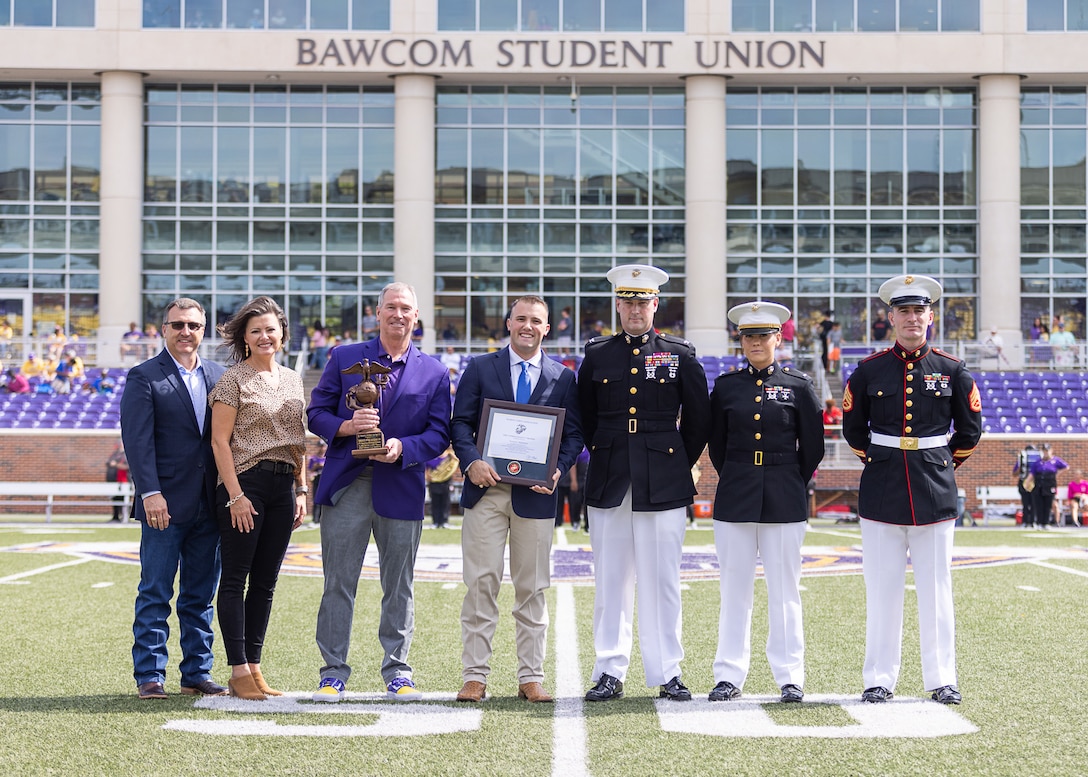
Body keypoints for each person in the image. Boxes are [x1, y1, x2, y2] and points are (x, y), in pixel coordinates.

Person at [842, 274, 982, 706]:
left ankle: (942, 677)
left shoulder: (952, 369)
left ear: (931, 317)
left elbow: (970, 431)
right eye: (903, 311)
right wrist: (883, 460)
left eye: (919, 311)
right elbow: (853, 431)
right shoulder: (867, 371)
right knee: (882, 588)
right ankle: (879, 678)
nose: (912, 318)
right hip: (881, 488)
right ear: (889, 318)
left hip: (934, 488)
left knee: (936, 588)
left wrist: (940, 464)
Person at [307, 281, 451, 703]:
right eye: (391, 307)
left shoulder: (436, 371)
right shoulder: (346, 357)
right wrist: (346, 427)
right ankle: (333, 672)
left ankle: (398, 671)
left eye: (406, 308)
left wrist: (404, 448)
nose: (398, 315)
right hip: (347, 484)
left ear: (416, 316)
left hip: (401, 484)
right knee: (338, 583)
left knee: (400, 585)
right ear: (377, 312)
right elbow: (315, 412)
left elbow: (439, 433)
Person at [578, 264, 711, 703]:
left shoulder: (679, 354)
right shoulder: (597, 355)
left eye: (643, 302)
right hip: (611, 476)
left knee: (662, 580)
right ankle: (609, 670)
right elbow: (587, 417)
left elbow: (698, 421)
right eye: (628, 302)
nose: (635, 310)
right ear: (618, 305)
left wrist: (676, 465)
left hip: (664, 480)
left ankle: (667, 670)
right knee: (611, 581)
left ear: (656, 305)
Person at [450, 295, 583, 704]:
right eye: (521, 318)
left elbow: (574, 434)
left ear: (547, 329)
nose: (528, 326)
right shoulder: (480, 367)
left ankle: (531, 677)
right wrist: (471, 460)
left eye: (536, 321)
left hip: (537, 496)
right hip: (486, 491)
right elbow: (460, 423)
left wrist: (557, 469)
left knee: (532, 588)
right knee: (481, 584)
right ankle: (475, 675)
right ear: (508, 323)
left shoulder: (563, 377)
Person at [707, 301, 824, 704]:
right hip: (735, 494)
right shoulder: (725, 387)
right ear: (740, 341)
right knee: (734, 589)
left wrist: (789, 478)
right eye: (748, 336)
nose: (756, 342)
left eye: (763, 335)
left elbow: (813, 447)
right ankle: (728, 674)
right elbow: (717, 447)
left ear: (778, 338)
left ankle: (790, 677)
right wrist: (740, 474)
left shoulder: (799, 385)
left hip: (784, 495)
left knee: (785, 590)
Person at [120, 298, 228, 700]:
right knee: (155, 590)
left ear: (204, 330)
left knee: (200, 595)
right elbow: (137, 441)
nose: (186, 332)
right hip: (163, 504)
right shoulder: (144, 376)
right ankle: (150, 674)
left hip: (210, 505)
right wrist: (150, 493)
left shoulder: (220, 375)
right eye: (178, 324)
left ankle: (196, 672)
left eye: (194, 326)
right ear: (163, 329)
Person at [208, 296, 308, 701]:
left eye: (271, 329)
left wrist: (302, 490)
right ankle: (237, 670)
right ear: (244, 338)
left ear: (282, 333)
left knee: (265, 583)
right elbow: (219, 441)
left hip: (284, 485)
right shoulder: (233, 379)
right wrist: (235, 496)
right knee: (235, 578)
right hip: (244, 484)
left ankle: (255, 667)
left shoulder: (293, 379)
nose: (264, 336)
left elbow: (298, 441)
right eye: (255, 331)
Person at [1029, 443, 1068, 530]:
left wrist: (1057, 474)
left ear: (1051, 451)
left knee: (1048, 504)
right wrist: (1027, 482)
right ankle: (1039, 522)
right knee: (1039, 504)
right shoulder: (1038, 462)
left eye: (1047, 450)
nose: (1046, 452)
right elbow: (1032, 473)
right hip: (1039, 484)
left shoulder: (1055, 460)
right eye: (1044, 451)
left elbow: (1066, 467)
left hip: (1050, 484)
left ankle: (1046, 522)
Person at [556, 447, 589, 530]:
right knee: (576, 501)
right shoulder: (579, 447)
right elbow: (574, 464)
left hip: (587, 476)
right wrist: (574, 480)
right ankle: (575, 521)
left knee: (587, 503)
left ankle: (587, 524)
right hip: (579, 478)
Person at [426, 446, 457, 529]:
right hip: (434, 483)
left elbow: (452, 470)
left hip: (446, 484)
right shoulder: (433, 458)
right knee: (435, 503)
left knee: (445, 503)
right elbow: (427, 467)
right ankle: (435, 522)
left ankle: (444, 521)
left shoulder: (450, 458)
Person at [1014, 443, 1040, 528]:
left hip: (1034, 482)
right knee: (1025, 504)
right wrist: (1020, 466)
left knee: (1034, 504)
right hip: (1024, 482)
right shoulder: (1022, 460)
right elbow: (1015, 473)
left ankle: (1033, 521)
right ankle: (1025, 522)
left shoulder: (1037, 461)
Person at [106, 442, 130, 522]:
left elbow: (127, 466)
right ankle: (115, 516)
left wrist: (116, 464)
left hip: (124, 481)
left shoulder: (126, 454)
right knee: (115, 499)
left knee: (123, 499)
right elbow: (108, 462)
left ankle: (125, 517)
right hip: (113, 480)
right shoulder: (115, 454)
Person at [307, 442, 327, 524]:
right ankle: (315, 519)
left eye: (323, 446)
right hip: (317, 478)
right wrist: (317, 466)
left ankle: (323, 518)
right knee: (316, 498)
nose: (322, 448)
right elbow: (310, 469)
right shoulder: (314, 458)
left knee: (324, 499)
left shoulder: (327, 458)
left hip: (325, 479)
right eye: (320, 446)